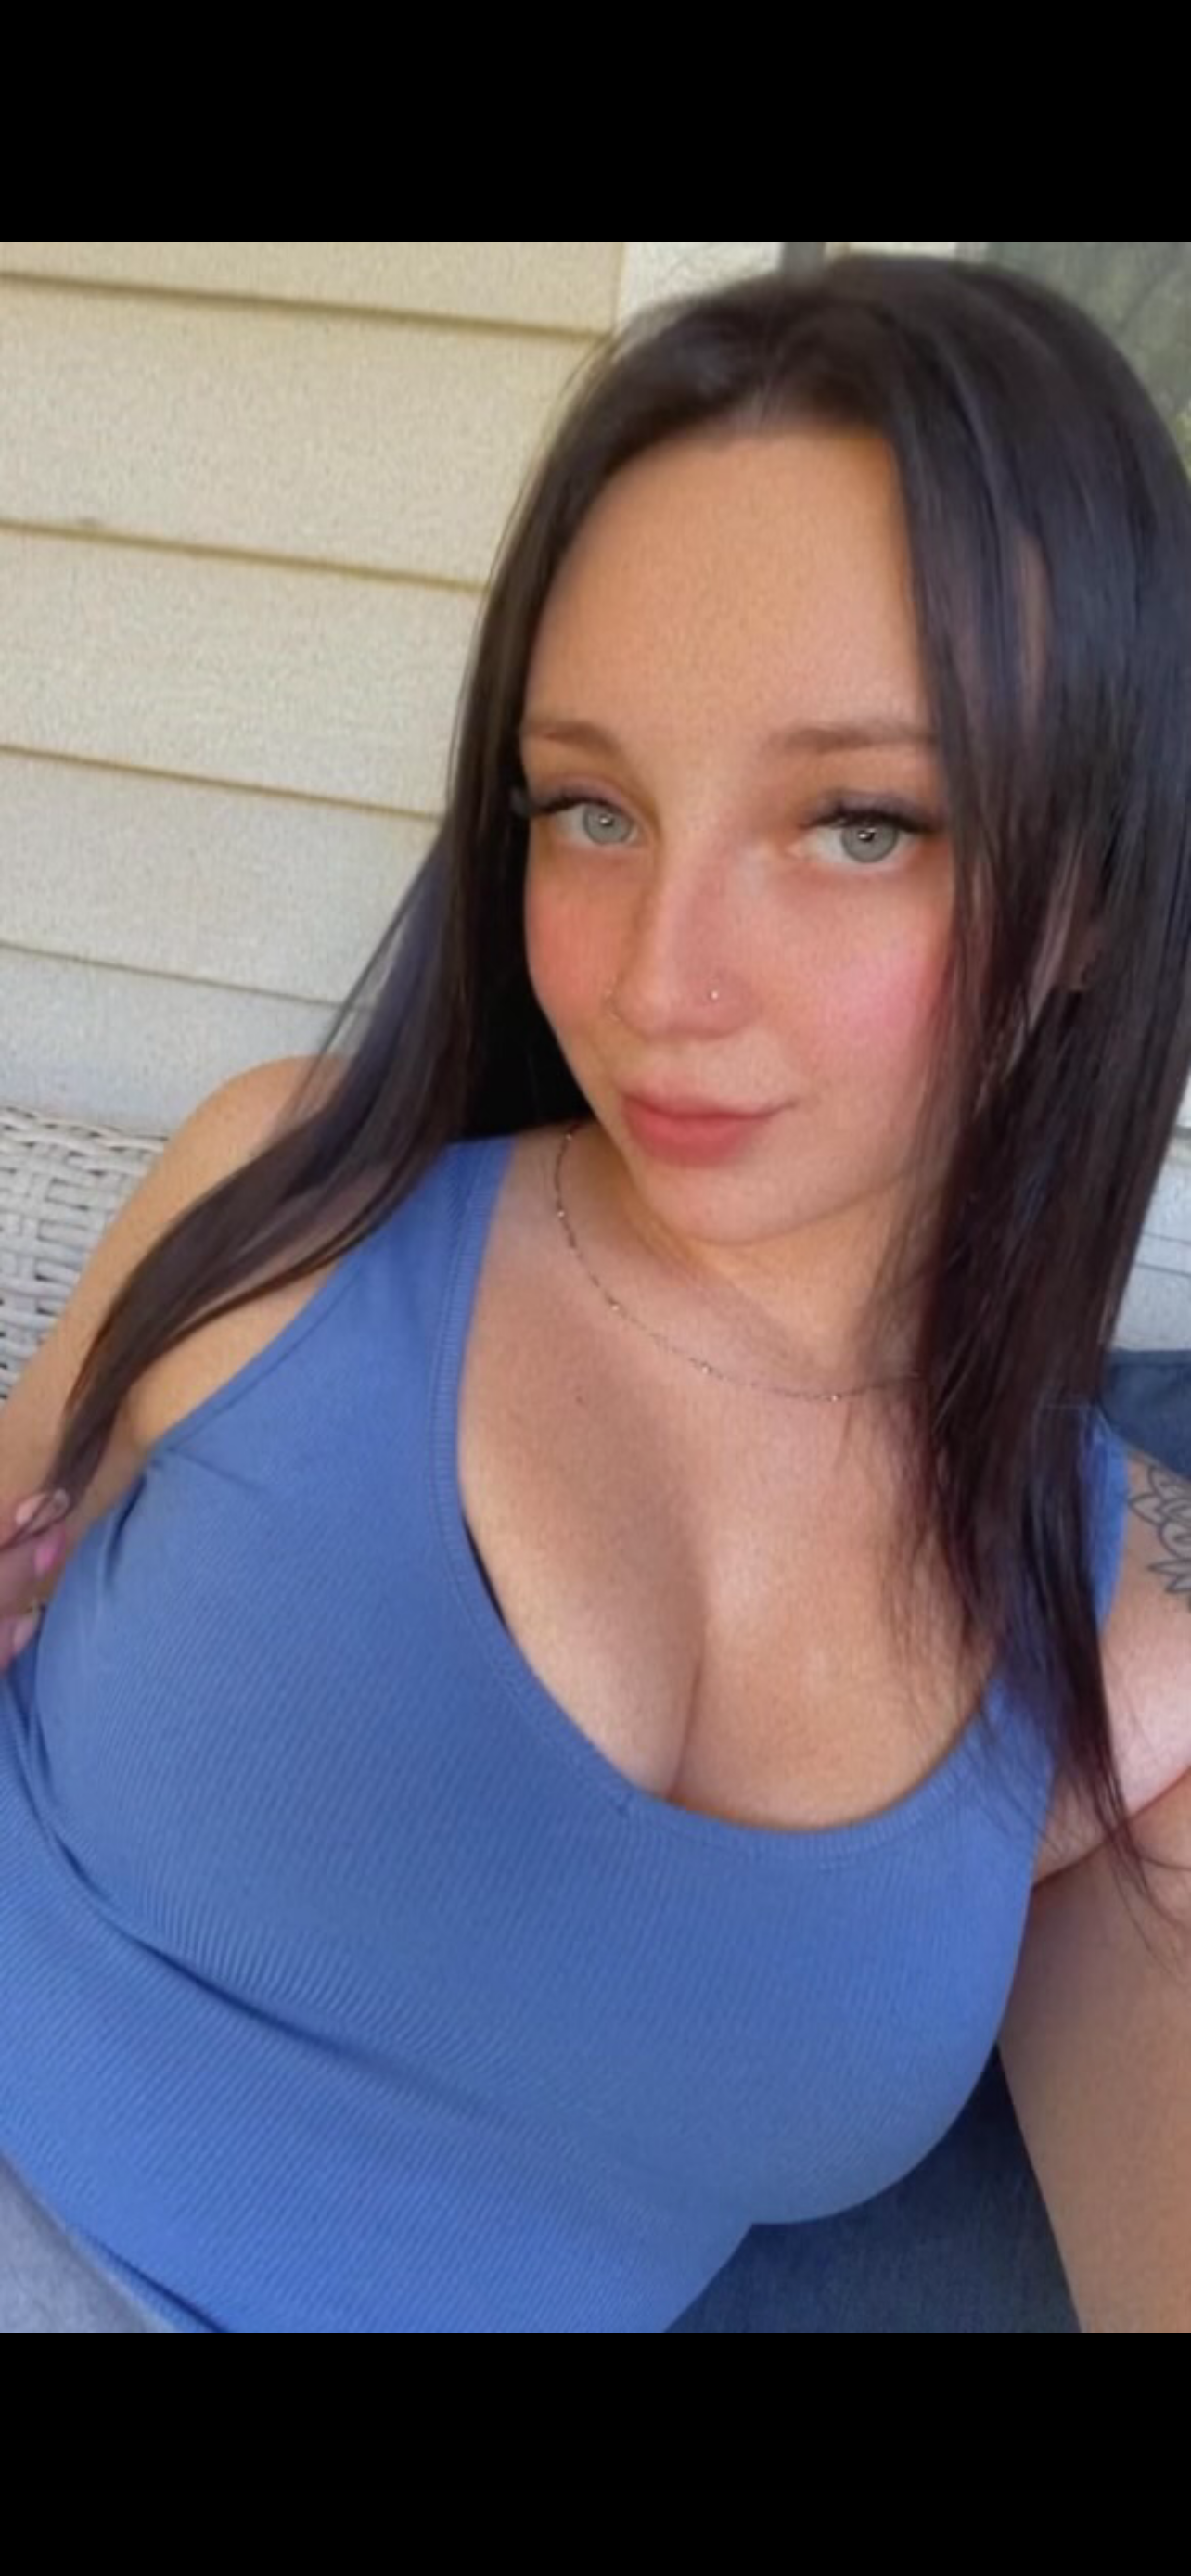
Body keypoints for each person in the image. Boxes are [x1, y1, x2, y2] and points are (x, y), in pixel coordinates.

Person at [2, 252, 1191, 2332]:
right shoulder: (297, 1206)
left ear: (1099, 881)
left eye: (858, 822)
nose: (656, 980)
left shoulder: (1092, 1623)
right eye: (592, 807)